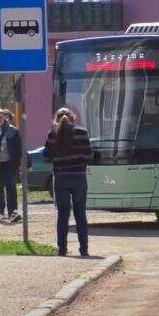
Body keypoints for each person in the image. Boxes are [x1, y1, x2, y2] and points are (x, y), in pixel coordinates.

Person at [44, 107, 93, 257]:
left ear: (56, 119)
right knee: (80, 214)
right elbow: (89, 155)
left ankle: (62, 250)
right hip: (79, 177)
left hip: (61, 178)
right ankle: (84, 250)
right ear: (73, 117)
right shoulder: (82, 133)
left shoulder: (52, 135)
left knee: (63, 215)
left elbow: (47, 157)